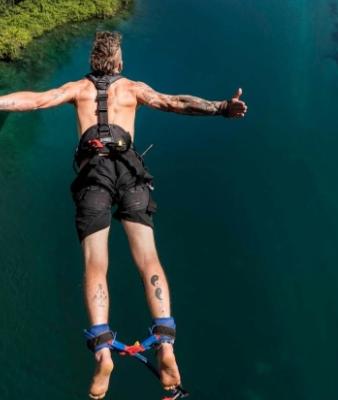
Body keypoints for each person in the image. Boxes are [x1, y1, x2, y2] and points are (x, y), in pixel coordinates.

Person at [0, 31, 248, 399]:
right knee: (149, 258)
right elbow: (175, 102)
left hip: (93, 177)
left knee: (95, 263)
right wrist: (220, 108)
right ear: (118, 62)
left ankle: (103, 348)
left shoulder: (77, 89)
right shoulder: (133, 89)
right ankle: (165, 342)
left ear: (93, 61)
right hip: (130, 173)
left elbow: (35, 101)